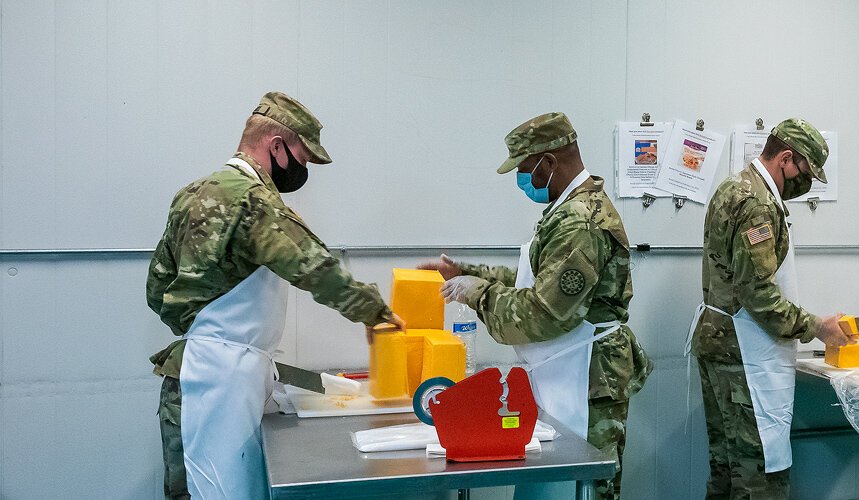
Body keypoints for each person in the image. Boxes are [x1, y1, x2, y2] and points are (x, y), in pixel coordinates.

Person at [146, 92, 402, 499]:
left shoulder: (189, 195)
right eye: (303, 157)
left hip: (190, 373)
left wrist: (204, 329)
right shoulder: (253, 200)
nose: (303, 170)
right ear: (276, 146)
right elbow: (314, 267)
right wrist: (376, 313)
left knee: (196, 489)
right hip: (226, 381)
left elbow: (158, 290)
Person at [418, 112, 651, 500]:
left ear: (549, 162)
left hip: (588, 380)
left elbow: (542, 315)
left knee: (584, 489)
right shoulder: (566, 210)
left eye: (524, 170)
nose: (521, 181)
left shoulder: (581, 223)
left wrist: (478, 294)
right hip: (565, 371)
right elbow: (537, 278)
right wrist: (465, 272)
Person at [689, 118, 853, 498]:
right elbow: (758, 293)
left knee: (726, 470)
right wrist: (816, 327)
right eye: (805, 171)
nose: (805, 182)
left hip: (722, 346)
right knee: (757, 477)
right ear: (785, 158)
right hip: (743, 357)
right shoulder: (758, 204)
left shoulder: (733, 187)